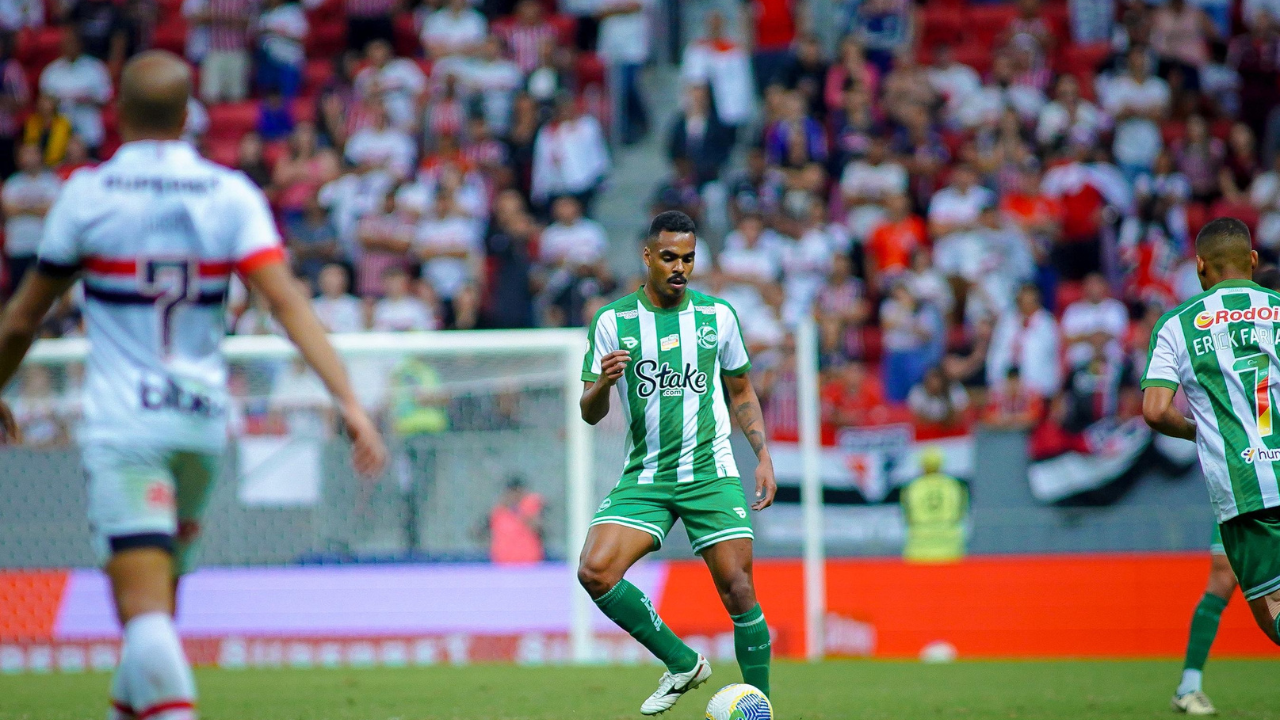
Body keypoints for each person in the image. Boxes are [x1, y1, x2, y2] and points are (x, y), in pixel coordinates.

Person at [0, 51, 386, 720]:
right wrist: (347, 400)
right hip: (201, 426)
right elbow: (288, 303)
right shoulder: (227, 193)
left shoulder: (88, 194)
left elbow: (24, 318)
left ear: (116, 113)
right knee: (159, 610)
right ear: (187, 117)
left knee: (142, 615)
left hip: (128, 429)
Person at [578, 211, 776, 715]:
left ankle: (761, 711)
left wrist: (763, 456)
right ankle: (682, 662)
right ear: (647, 256)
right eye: (669, 257)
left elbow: (741, 389)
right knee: (595, 570)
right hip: (646, 474)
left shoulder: (718, 317)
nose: (680, 267)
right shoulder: (613, 321)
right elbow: (589, 410)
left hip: (710, 470)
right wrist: (602, 382)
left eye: (688, 257)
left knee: (738, 588)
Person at [1142, 219, 1280, 700]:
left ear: (1199, 267)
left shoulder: (1177, 324)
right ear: (1255, 263)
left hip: (1245, 489)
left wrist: (1201, 433)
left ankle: (1188, 684)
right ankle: (1190, 685)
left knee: (1271, 613)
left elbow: (1156, 411)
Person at [2, 143, 60, 298]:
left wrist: (23, 207)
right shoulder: (12, 183)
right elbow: (9, 210)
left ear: (40, 156)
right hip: (18, 247)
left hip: (44, 247)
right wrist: (37, 208)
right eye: (25, 154)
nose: (30, 158)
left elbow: (52, 210)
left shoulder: (52, 181)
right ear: (19, 159)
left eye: (33, 153)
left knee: (45, 296)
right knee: (18, 294)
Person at [900, 447, 968, 562]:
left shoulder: (913, 487)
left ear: (922, 465)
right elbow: (961, 513)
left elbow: (908, 516)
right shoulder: (954, 485)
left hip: (919, 545)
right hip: (950, 544)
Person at [483, 476, 545, 564]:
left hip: (529, 562)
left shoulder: (532, 505)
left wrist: (516, 510)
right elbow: (481, 531)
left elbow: (538, 529)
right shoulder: (499, 510)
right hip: (503, 563)